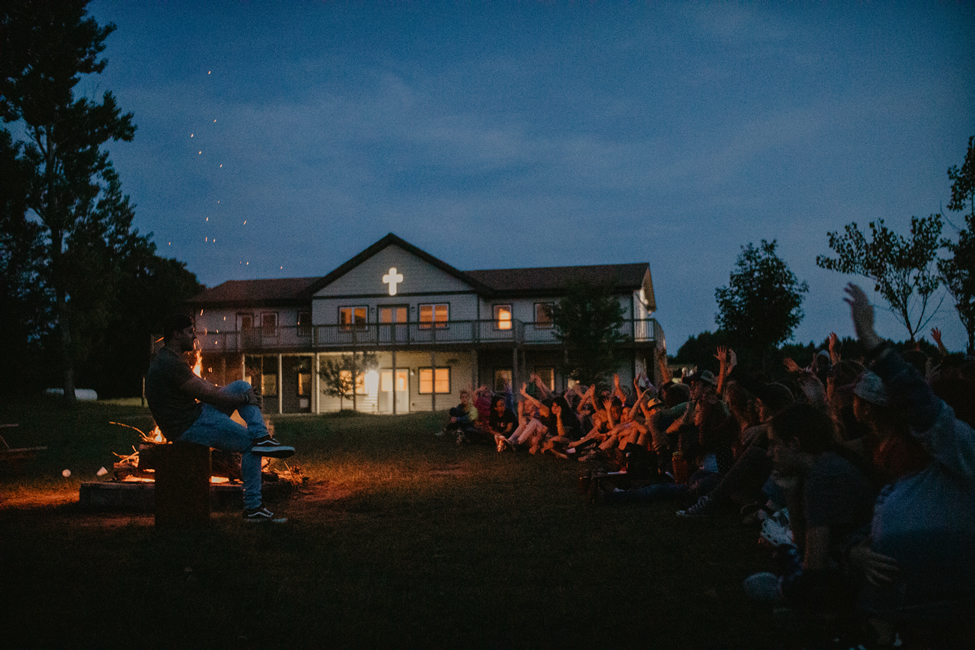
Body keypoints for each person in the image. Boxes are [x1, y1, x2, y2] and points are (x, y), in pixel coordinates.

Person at [145, 314, 295, 523]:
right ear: (176, 334)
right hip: (189, 427)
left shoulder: (169, 358)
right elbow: (206, 394)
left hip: (194, 416)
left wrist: (242, 395)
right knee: (251, 446)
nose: (194, 337)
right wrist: (244, 399)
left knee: (242, 384)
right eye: (190, 332)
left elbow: (206, 387)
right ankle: (254, 509)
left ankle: (263, 437)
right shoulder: (169, 363)